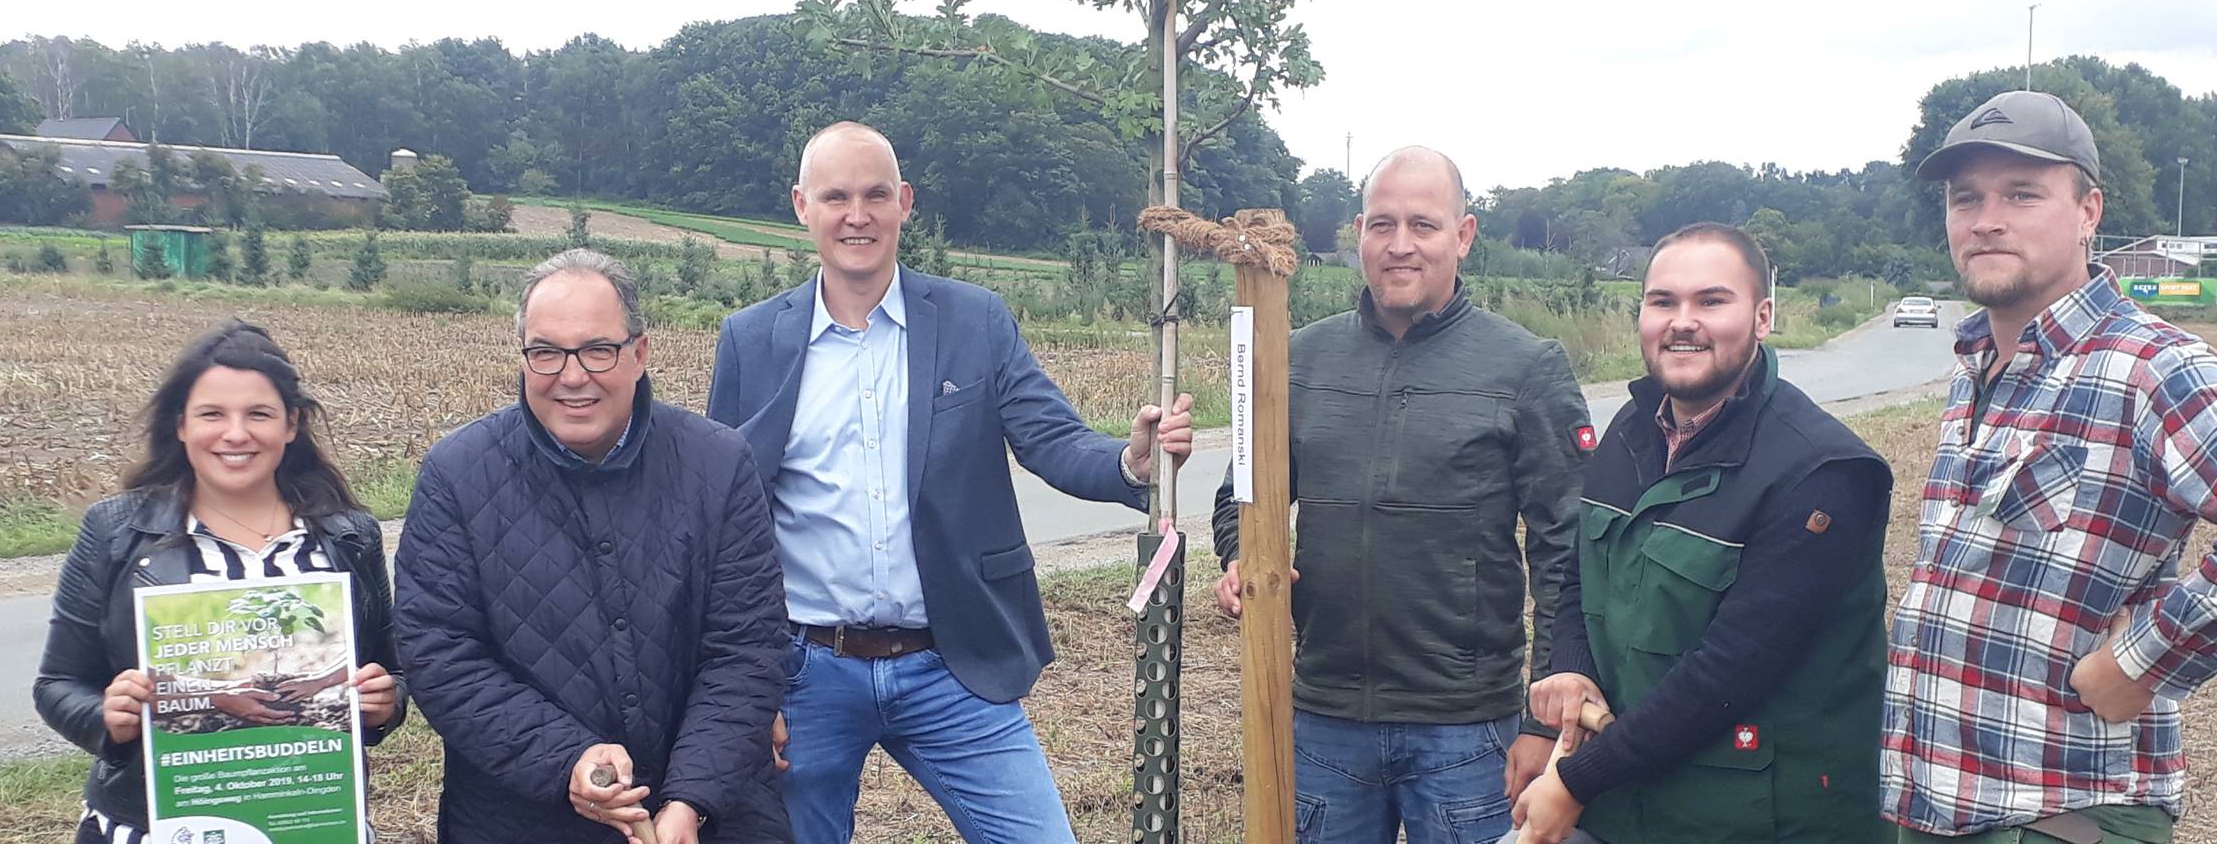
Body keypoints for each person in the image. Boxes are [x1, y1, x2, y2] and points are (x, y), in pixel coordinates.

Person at [1884, 91, 2217, 844]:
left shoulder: (2146, 365)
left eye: (2022, 194)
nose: (1986, 218)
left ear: (2089, 211)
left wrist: (2145, 659)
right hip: (1945, 804)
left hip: (2058, 814)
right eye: (1966, 198)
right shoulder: (1979, 363)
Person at [702, 121, 1193, 844]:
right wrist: (747, 686)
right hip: (805, 672)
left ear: (905, 202)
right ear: (802, 206)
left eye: (875, 195)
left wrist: (1130, 465)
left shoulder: (973, 320)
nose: (857, 215)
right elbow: (728, 517)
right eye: (836, 197)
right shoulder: (750, 339)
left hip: (950, 662)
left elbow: (1050, 438)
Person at [1213, 145, 1591, 843]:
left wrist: (1542, 725)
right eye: (1382, 225)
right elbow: (1242, 496)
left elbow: (1567, 549)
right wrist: (1242, 559)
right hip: (1324, 722)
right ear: (1358, 232)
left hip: (1468, 731)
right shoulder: (1296, 359)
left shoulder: (1527, 367)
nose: (1400, 246)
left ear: (1464, 235)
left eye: (1423, 225)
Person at [1512, 223, 1891, 844]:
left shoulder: (1822, 473)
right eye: (1663, 301)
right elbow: (1581, 575)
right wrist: (1573, 669)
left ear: (1764, 316)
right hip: (1629, 804)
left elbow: (1727, 673)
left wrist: (1576, 781)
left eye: (1711, 301)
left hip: (1759, 819)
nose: (1682, 321)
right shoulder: (1630, 431)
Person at [397, 250, 790, 843]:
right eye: (546, 352)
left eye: (597, 349)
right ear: (524, 356)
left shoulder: (719, 462)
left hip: (714, 815)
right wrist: (566, 759)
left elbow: (746, 645)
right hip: (521, 817)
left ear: (639, 353)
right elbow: (439, 651)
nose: (571, 375)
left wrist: (691, 799)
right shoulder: (457, 473)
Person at [34, 321, 407, 844]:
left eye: (258, 414)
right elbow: (56, 684)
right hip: (153, 826)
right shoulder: (115, 532)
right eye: (212, 414)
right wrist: (106, 718)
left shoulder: (350, 536)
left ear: (291, 424)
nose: (236, 433)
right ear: (180, 425)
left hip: (313, 821)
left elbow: (393, 670)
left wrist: (384, 702)